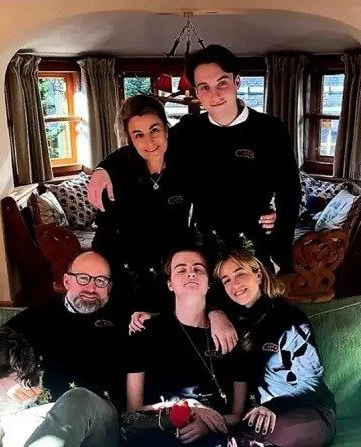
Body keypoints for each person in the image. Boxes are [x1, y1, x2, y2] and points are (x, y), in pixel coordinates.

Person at [89, 44, 300, 273]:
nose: (214, 95)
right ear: (197, 93)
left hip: (256, 245)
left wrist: (280, 251)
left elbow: (290, 193)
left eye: (222, 83)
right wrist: (103, 168)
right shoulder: (189, 129)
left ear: (237, 82)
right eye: (204, 87)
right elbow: (149, 145)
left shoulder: (271, 129)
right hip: (206, 249)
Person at [0, 251, 125, 447]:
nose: (91, 287)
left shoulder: (124, 321)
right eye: (83, 278)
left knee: (78, 398)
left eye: (101, 281)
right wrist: (1, 380)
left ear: (109, 287)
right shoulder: (36, 318)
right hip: (33, 418)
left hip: (98, 422)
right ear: (67, 281)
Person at [124, 248, 247, 446]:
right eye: (181, 270)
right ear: (170, 284)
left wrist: (208, 425)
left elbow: (238, 414)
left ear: (208, 284)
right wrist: (186, 408)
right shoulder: (146, 332)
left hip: (216, 437)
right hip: (161, 434)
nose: (191, 273)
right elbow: (134, 411)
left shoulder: (230, 333)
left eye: (198, 269)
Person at [215, 249, 336, 447]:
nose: (234, 284)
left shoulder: (290, 319)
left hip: (308, 411)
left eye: (240, 274)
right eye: (226, 280)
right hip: (261, 417)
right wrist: (215, 313)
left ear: (258, 275)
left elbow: (310, 381)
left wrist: (273, 406)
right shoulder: (236, 324)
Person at [91, 94, 192, 314]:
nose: (149, 142)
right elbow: (105, 233)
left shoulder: (186, 165)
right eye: (138, 135)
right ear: (129, 139)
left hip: (175, 269)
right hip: (129, 273)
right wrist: (96, 277)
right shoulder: (115, 174)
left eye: (155, 130)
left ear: (166, 129)